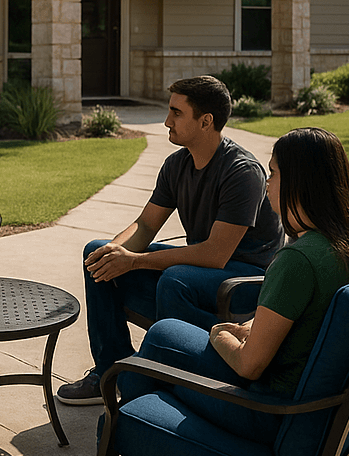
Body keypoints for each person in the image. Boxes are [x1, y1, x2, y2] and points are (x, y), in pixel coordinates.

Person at [61, 126, 349, 456]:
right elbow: (303, 325)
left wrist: (221, 332)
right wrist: (252, 326)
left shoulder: (297, 261)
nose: (268, 183)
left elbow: (249, 366)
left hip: (266, 409)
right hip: (310, 404)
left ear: (301, 183)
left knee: (160, 342)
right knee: (164, 336)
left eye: (275, 174)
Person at [56, 76, 284, 406]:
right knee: (97, 254)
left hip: (244, 281)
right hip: (200, 272)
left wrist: (135, 261)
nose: (166, 121)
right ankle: (113, 372)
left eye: (176, 113)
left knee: (175, 280)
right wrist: (115, 252)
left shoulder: (241, 171)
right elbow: (146, 224)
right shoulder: (177, 164)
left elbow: (216, 254)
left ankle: (173, 380)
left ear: (206, 121)